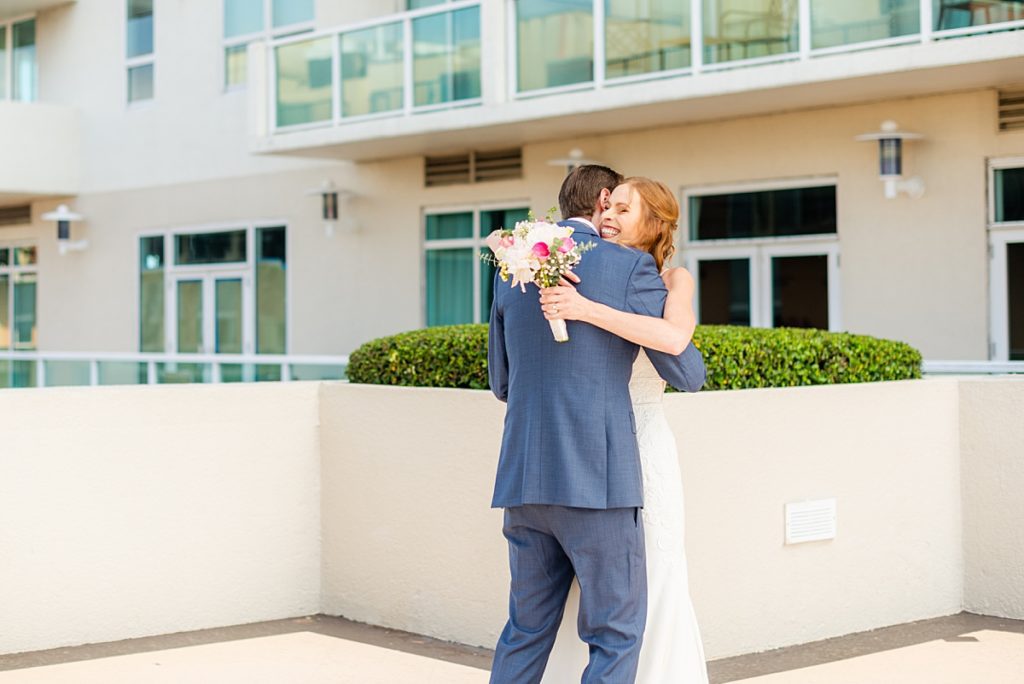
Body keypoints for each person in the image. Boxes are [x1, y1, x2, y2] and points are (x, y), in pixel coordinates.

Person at [488, 166, 706, 684]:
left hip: (524, 478)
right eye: (615, 204)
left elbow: (501, 381)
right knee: (615, 632)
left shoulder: (514, 267)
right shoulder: (629, 268)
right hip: (597, 482)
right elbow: (687, 372)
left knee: (525, 629)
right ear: (603, 199)